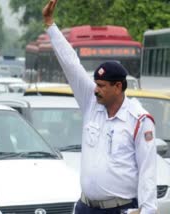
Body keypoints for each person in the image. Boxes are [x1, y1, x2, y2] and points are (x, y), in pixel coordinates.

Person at [42, 1, 157, 214]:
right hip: (86, 207)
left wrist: (147, 210)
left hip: (119, 209)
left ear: (118, 86)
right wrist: (50, 25)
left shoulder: (139, 120)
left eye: (102, 86)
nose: (96, 90)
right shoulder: (92, 104)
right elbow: (71, 65)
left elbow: (148, 171)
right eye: (95, 84)